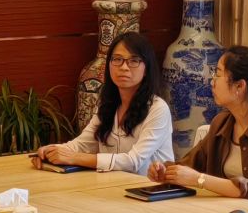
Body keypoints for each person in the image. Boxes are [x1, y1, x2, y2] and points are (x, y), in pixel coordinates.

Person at [146, 45, 248, 204]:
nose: (211, 81)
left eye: (218, 74)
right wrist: (164, 170)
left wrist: (199, 179)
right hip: (226, 210)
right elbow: (191, 164)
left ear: (239, 86)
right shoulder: (222, 122)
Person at [33, 31, 172, 174]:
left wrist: (74, 158)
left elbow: (133, 162)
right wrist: (50, 152)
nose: (124, 67)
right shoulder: (108, 105)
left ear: (146, 69)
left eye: (134, 61)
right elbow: (82, 144)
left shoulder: (157, 109)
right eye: (117, 59)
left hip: (149, 186)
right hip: (113, 184)